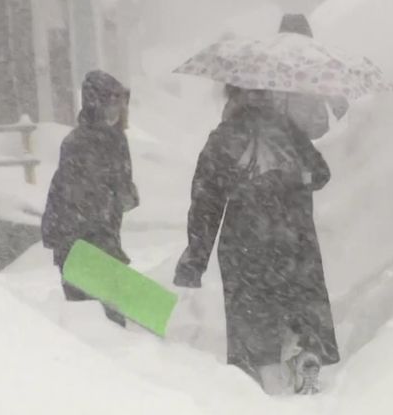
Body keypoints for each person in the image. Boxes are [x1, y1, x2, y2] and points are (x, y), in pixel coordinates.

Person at [173, 85, 339, 395]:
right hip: (293, 234)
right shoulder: (286, 128)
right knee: (297, 297)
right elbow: (321, 173)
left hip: (244, 240)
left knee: (250, 311)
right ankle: (306, 349)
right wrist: (291, 178)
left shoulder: (224, 138)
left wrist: (196, 258)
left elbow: (205, 203)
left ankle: (261, 377)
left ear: (231, 97)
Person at [42, 70, 139, 327]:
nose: (119, 108)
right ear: (99, 103)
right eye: (114, 101)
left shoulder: (75, 140)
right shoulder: (110, 141)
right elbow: (112, 195)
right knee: (107, 326)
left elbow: (67, 193)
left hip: (73, 245)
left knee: (85, 324)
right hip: (92, 245)